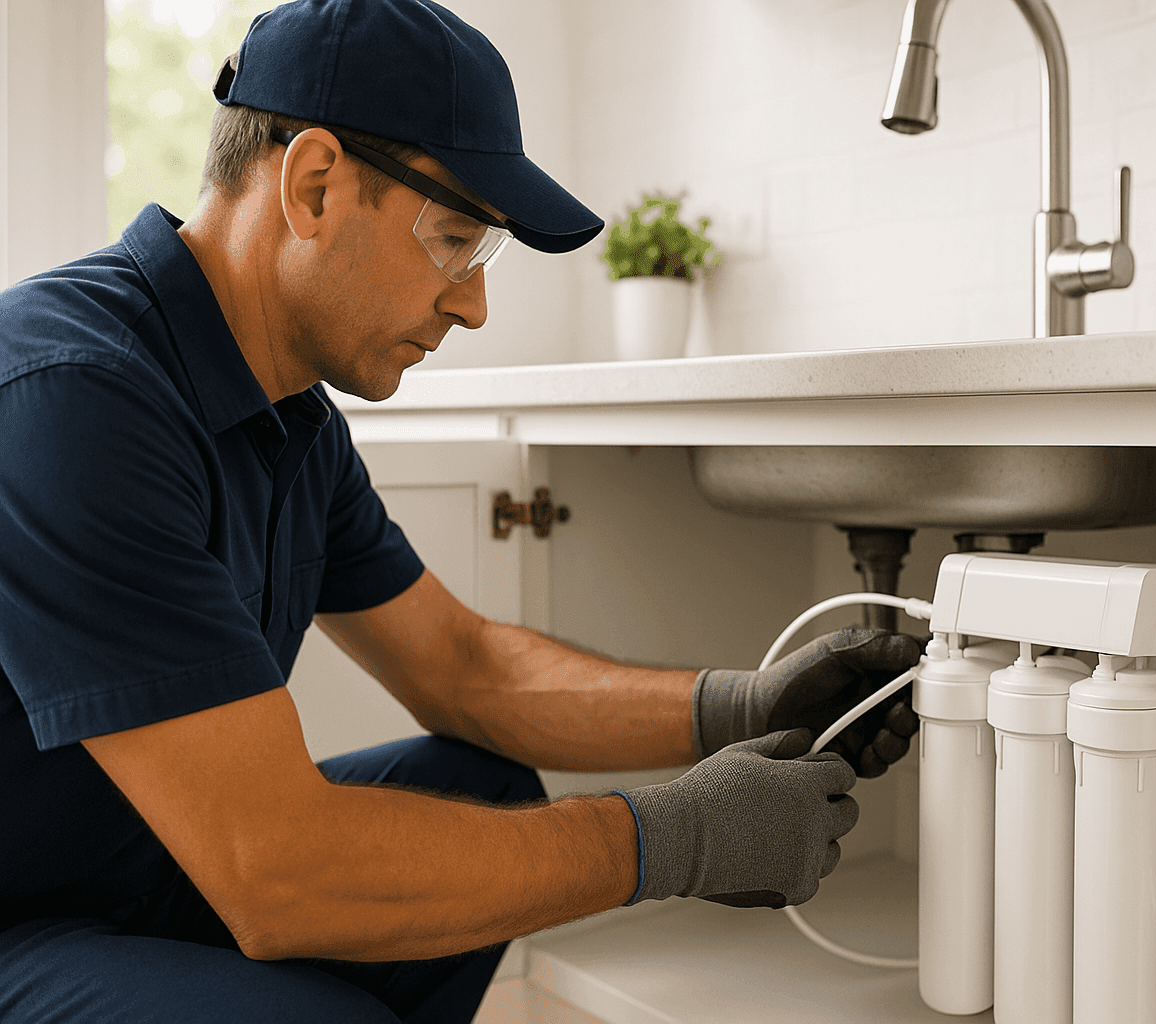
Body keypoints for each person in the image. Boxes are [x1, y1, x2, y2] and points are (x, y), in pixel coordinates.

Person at [0, 2, 922, 1021]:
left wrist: (739, 707)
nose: (473, 303)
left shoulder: (291, 419)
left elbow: (463, 666)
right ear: (313, 187)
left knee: (476, 781)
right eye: (455, 239)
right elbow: (274, 872)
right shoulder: (71, 394)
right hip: (20, 921)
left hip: (133, 870)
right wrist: (674, 838)